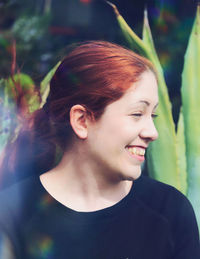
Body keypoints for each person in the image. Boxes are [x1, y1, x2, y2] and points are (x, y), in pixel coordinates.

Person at [0, 41, 199, 259]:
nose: (153, 132)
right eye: (137, 114)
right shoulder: (11, 215)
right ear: (82, 120)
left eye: (152, 116)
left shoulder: (170, 211)